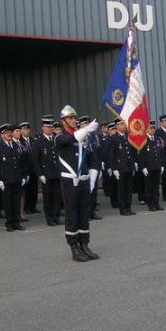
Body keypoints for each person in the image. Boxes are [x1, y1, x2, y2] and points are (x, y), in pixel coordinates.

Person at [55, 105, 100, 261]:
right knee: (72, 214)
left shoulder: (84, 138)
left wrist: (93, 179)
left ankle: (84, 244)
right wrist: (87, 130)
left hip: (84, 182)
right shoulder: (60, 137)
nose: (74, 120)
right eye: (70, 118)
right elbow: (71, 139)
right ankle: (74, 246)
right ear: (63, 121)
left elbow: (93, 160)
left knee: (84, 214)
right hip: (70, 182)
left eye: (74, 117)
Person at [0, 123, 26, 232]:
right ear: (2, 135)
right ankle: (9, 223)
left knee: (16, 201)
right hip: (5, 179)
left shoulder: (16, 145)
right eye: (7, 133)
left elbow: (21, 163)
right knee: (8, 202)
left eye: (10, 133)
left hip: (16, 178)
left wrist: (23, 176)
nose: (9, 135)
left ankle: (17, 222)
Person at [32, 116, 62, 226]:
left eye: (51, 127)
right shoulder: (38, 142)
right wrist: (40, 174)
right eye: (47, 127)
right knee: (48, 197)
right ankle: (49, 219)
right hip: (46, 174)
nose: (49, 129)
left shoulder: (57, 138)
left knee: (57, 196)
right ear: (42, 128)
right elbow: (36, 160)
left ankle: (56, 216)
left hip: (57, 172)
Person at [108, 118, 136, 216]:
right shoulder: (113, 138)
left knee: (129, 188)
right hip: (120, 168)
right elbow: (111, 155)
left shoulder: (128, 137)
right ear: (116, 126)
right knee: (121, 189)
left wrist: (133, 165)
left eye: (123, 124)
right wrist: (114, 168)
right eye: (120, 124)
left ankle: (129, 207)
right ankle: (122, 208)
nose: (123, 126)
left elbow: (131, 153)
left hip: (128, 166)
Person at [138, 120, 165, 211]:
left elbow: (161, 152)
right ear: (146, 129)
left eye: (154, 128)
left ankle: (156, 203)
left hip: (157, 166)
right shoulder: (143, 140)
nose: (153, 130)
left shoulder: (157, 139)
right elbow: (141, 155)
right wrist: (143, 167)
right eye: (151, 128)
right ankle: (150, 204)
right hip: (148, 167)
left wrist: (162, 165)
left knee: (156, 186)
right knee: (149, 186)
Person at [80, 116, 102, 220]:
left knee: (94, 190)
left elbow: (97, 151)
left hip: (94, 165)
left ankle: (92, 211)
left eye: (88, 124)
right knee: (85, 191)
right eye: (85, 124)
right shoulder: (80, 136)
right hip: (85, 166)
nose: (87, 125)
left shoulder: (94, 136)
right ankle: (85, 213)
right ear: (81, 125)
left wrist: (99, 166)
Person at [19, 122, 39, 214]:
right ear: (21, 131)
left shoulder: (32, 140)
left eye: (27, 129)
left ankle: (33, 206)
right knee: (26, 189)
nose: (26, 131)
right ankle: (26, 207)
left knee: (34, 189)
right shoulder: (19, 141)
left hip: (34, 168)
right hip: (26, 168)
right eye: (24, 129)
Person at [156, 115, 166, 201]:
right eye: (165, 121)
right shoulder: (158, 132)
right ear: (161, 122)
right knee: (165, 178)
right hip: (163, 157)